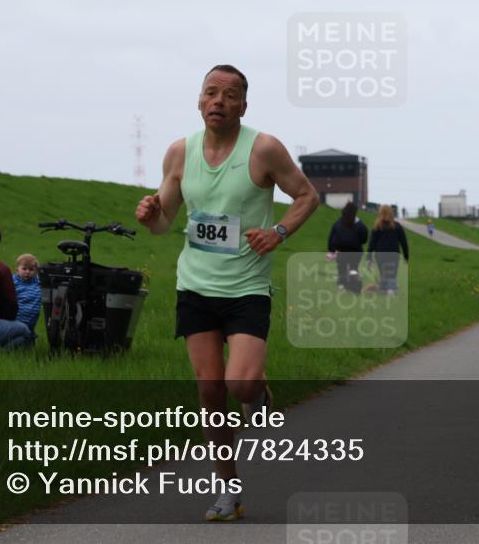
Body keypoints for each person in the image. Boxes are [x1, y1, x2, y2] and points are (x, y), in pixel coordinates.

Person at [134, 64, 318, 522]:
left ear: (243, 106)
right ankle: (227, 490)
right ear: (199, 101)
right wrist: (148, 214)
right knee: (211, 392)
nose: (219, 101)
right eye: (211, 92)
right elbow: (163, 223)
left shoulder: (264, 149)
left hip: (247, 286)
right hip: (195, 285)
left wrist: (277, 231)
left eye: (230, 95)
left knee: (240, 384)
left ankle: (257, 396)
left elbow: (307, 196)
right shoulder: (180, 153)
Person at [366, 205, 409, 295]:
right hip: (394, 255)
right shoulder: (397, 226)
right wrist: (406, 256)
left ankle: (386, 290)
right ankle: (391, 291)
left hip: (381, 256)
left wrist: (369, 258)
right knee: (391, 274)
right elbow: (404, 242)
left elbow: (371, 244)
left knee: (384, 275)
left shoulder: (377, 227)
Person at [328, 202, 368, 292]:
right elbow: (364, 239)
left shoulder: (338, 223)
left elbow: (331, 237)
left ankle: (342, 287)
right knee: (354, 269)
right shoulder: (359, 224)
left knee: (342, 270)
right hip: (356, 252)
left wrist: (332, 250)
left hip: (341, 252)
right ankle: (354, 286)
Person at [13, 253, 42, 336]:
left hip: (32, 319)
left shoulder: (38, 281)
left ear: (36, 271)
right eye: (24, 269)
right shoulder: (13, 281)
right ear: (17, 270)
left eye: (31, 269)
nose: (27, 272)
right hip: (17, 318)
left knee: (29, 337)